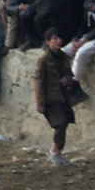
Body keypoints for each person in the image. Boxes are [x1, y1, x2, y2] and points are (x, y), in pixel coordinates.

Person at [35, 29, 75, 165]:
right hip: (51, 97)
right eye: (54, 38)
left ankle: (57, 151)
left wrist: (67, 80)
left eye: (59, 38)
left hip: (63, 95)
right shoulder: (44, 60)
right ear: (48, 41)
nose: (58, 41)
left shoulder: (63, 57)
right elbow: (39, 81)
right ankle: (55, 151)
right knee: (61, 123)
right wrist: (40, 102)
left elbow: (70, 74)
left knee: (64, 122)